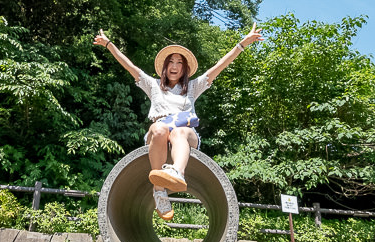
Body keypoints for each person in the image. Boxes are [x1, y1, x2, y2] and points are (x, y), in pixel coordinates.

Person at [94, 24, 263, 220]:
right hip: (158, 133)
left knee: (178, 132)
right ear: (165, 66)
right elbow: (129, 65)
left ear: (185, 68)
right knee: (158, 129)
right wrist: (109, 45)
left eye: (179, 63)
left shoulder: (193, 87)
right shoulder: (153, 86)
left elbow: (220, 66)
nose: (174, 66)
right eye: (171, 62)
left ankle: (177, 173)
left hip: (185, 134)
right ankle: (159, 190)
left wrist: (242, 44)